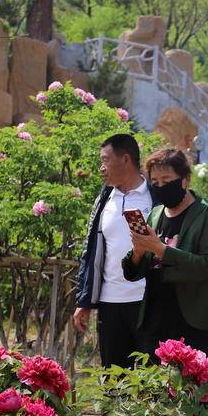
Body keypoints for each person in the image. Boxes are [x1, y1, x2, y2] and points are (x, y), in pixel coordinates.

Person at [122, 147, 208, 365]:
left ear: (185, 180)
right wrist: (138, 251)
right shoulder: (155, 214)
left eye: (167, 179)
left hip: (197, 320)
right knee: (154, 392)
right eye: (155, 181)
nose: (161, 186)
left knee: (193, 392)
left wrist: (161, 249)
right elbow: (134, 272)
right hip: (156, 318)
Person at [73, 134, 155, 368]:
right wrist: (85, 300)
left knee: (150, 379)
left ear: (126, 160)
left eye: (105, 160)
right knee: (113, 377)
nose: (101, 168)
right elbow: (91, 252)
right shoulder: (104, 199)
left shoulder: (155, 196)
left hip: (147, 301)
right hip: (110, 302)